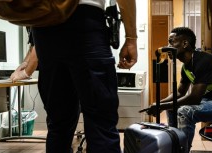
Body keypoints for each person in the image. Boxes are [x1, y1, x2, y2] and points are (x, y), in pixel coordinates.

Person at [30, 0, 137, 153]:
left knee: (58, 122)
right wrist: (131, 39)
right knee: (100, 119)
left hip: (43, 24)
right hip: (84, 20)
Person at [145, 27, 212, 152]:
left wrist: (161, 106)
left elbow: (195, 98)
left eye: (171, 42)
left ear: (185, 44)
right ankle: (175, 145)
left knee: (185, 111)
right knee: (172, 107)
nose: (167, 46)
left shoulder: (205, 61)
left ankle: (182, 150)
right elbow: (179, 93)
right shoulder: (186, 67)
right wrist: (159, 104)